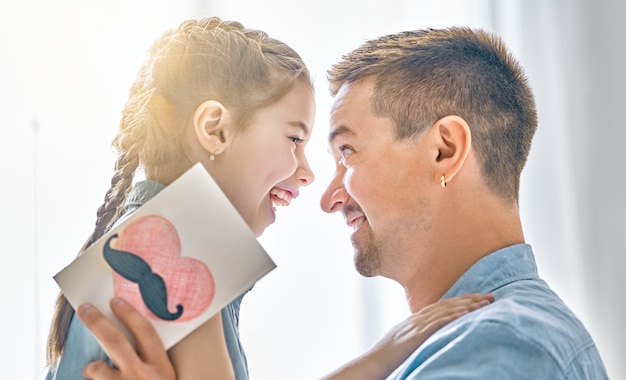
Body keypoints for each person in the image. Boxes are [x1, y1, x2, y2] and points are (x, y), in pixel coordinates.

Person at [44, 17, 493, 380]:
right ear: (215, 129)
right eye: (294, 139)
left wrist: (386, 353)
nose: (308, 173)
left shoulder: (150, 232)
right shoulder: (175, 244)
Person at [319, 26, 609, 379]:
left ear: (445, 150)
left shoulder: (503, 344)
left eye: (347, 152)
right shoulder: (482, 341)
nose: (329, 199)